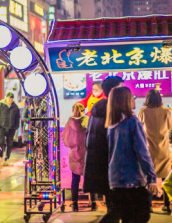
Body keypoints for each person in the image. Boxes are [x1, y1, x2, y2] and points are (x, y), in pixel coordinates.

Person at [106, 86, 159, 223]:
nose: (134, 99)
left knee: (122, 215)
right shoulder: (132, 122)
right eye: (131, 97)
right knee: (141, 215)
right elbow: (142, 152)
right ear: (125, 100)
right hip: (132, 179)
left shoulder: (111, 124)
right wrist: (151, 177)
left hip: (115, 178)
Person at [83, 76, 123, 221]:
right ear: (114, 91)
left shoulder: (96, 110)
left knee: (112, 207)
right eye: (121, 87)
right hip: (116, 167)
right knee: (117, 209)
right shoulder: (116, 112)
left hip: (101, 166)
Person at [138, 89, 172, 214]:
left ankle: (149, 205)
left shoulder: (143, 111)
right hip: (163, 148)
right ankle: (167, 204)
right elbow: (171, 126)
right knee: (166, 178)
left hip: (148, 149)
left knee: (149, 177)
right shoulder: (165, 110)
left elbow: (139, 126)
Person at [62, 103, 98, 211]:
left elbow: (65, 138)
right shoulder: (88, 120)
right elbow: (93, 135)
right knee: (90, 178)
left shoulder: (69, 122)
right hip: (87, 153)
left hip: (74, 153)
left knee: (75, 179)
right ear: (84, 110)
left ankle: (75, 204)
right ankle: (94, 204)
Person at [0, 92, 20, 166]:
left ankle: (7, 159)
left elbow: (18, 118)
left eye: (12, 98)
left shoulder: (15, 107)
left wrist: (16, 126)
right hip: (1, 128)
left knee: (10, 144)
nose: (10, 99)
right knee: (0, 143)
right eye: (9, 98)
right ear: (6, 97)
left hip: (11, 128)